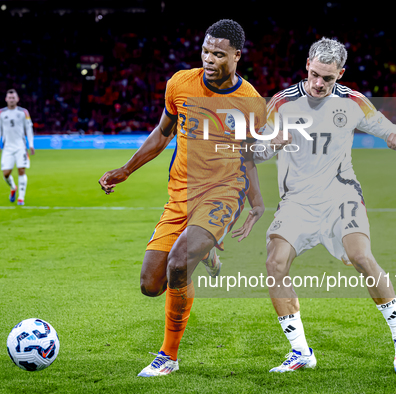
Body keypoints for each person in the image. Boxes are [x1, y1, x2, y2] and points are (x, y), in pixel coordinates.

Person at [99, 19, 266, 377]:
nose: (209, 59)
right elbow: (163, 134)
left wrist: (257, 202)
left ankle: (168, 357)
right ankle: (201, 252)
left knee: (178, 262)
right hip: (180, 195)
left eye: (219, 54)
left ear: (237, 56)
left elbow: (248, 157)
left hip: (223, 193)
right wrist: (126, 169)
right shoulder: (180, 83)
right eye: (205, 51)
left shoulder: (251, 103)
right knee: (150, 285)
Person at [254, 37, 396, 374]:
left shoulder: (354, 101)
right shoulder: (282, 103)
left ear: (340, 73)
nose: (318, 83)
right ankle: (300, 351)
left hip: (341, 196)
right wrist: (270, 143)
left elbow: (387, 127)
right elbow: (254, 152)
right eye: (314, 74)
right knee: (275, 263)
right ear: (307, 65)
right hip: (297, 202)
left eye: (327, 78)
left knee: (361, 257)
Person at [0, 89, 34, 206]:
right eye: (9, 98)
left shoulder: (23, 112)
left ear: (17, 99)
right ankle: (13, 187)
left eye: (13, 98)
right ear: (6, 99)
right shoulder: (1, 113)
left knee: (21, 170)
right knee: (6, 174)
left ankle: (21, 198)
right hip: (7, 148)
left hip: (20, 147)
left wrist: (31, 144)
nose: (11, 100)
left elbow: (29, 129)